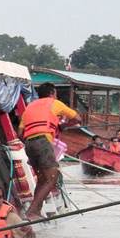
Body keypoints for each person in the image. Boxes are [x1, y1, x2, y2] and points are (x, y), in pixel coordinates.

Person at [17, 82, 82, 220]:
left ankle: (36, 212)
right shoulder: (54, 103)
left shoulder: (29, 107)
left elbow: (20, 132)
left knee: (42, 179)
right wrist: (63, 126)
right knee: (52, 178)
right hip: (43, 142)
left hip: (29, 143)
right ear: (53, 93)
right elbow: (77, 118)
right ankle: (32, 212)